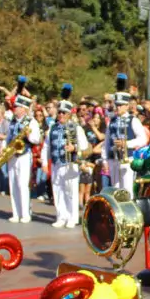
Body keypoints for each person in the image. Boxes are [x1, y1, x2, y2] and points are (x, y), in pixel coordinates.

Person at [42, 89, 89, 228]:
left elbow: (85, 147)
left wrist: (74, 149)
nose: (61, 115)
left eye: (64, 113)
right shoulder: (52, 128)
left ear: (69, 114)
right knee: (57, 190)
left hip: (70, 163)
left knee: (71, 191)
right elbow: (46, 147)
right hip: (57, 164)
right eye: (60, 112)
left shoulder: (76, 128)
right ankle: (61, 216)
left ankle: (72, 217)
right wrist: (45, 163)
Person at [103, 75, 149, 193]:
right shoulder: (112, 120)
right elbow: (107, 142)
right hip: (113, 159)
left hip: (127, 159)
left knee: (127, 190)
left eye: (120, 105)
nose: (117, 107)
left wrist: (127, 144)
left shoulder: (133, 120)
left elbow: (143, 139)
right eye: (116, 105)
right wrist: (105, 160)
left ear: (127, 106)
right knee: (115, 190)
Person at [5, 90, 41, 223]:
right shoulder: (12, 122)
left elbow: (37, 139)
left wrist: (28, 136)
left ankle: (25, 213)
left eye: (17, 107)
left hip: (24, 155)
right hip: (12, 155)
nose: (15, 109)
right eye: (15, 107)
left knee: (22, 184)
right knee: (13, 184)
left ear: (24, 109)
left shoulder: (31, 122)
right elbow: (8, 137)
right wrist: (4, 148)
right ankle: (16, 213)